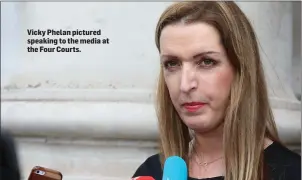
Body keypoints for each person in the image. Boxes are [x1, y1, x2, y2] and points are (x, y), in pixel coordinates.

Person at [132, 1, 301, 180]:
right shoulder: (151, 173)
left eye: (206, 62)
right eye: (172, 64)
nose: (185, 85)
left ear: (241, 70)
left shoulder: (291, 173)